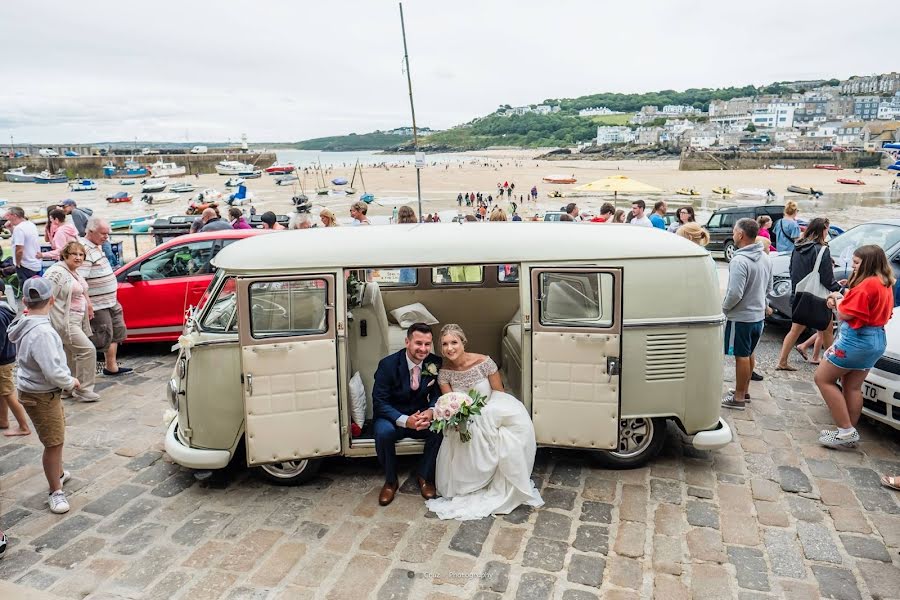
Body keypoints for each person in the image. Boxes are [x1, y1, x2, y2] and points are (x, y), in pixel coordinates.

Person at [426, 324, 543, 520]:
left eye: (454, 342)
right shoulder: (444, 373)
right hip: (465, 418)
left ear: (463, 343)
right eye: (445, 344)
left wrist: (487, 417)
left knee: (505, 434)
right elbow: (450, 403)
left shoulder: (484, 362)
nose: (449, 348)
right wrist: (458, 418)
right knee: (465, 433)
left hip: (491, 409)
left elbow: (499, 393)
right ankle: (472, 483)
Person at [7, 278, 80, 514]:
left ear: (26, 302)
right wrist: (71, 382)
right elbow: (53, 370)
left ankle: (57, 473)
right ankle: (55, 490)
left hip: (36, 391)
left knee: (56, 435)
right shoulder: (43, 333)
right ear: (52, 299)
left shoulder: (26, 323)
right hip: (41, 394)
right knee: (53, 443)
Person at [815, 245, 894, 448]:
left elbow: (845, 314)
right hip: (876, 339)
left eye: (857, 263)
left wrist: (837, 299)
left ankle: (846, 431)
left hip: (856, 340)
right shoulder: (885, 283)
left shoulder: (867, 284)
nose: (854, 267)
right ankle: (847, 432)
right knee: (852, 386)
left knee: (823, 379)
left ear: (868, 263)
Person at [372, 323, 443, 506]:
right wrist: (404, 420)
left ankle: (425, 476)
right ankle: (390, 481)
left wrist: (430, 411)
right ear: (407, 342)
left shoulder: (434, 363)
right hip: (392, 417)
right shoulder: (388, 365)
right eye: (418, 343)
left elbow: (436, 393)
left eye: (427, 344)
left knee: (440, 429)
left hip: (420, 416)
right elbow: (380, 402)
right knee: (383, 433)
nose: (423, 349)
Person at [775, 218, 840, 371]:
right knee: (827, 329)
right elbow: (826, 277)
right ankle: (830, 366)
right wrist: (838, 288)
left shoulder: (798, 246)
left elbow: (792, 269)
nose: (828, 233)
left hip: (800, 292)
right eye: (827, 229)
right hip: (817, 296)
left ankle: (782, 361)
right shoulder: (822, 249)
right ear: (823, 229)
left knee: (795, 329)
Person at [721, 218, 772, 410]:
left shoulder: (740, 260)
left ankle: (739, 397)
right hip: (758, 315)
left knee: (740, 356)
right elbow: (768, 287)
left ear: (741, 234)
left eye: (735, 231)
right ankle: (745, 390)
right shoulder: (765, 257)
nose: (733, 234)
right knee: (749, 353)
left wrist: (725, 309)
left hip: (741, 317)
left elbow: (735, 293)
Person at [44, 241, 99, 402]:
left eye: (81, 255)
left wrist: (88, 304)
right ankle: (84, 389)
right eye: (74, 254)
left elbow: (81, 291)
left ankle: (68, 387)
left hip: (76, 319)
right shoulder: (56, 272)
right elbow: (45, 294)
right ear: (65, 255)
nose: (78, 257)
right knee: (87, 350)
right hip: (65, 320)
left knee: (69, 354)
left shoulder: (73, 272)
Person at [79, 218, 132, 377]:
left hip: (109, 300)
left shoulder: (97, 246)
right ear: (91, 231)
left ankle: (111, 366)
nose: (106, 237)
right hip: (97, 303)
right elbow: (80, 279)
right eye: (103, 233)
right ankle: (86, 373)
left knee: (116, 331)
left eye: (108, 233)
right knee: (103, 335)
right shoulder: (84, 250)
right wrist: (88, 303)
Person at [0, 288, 30, 437]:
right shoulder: (5, 311)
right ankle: (3, 420)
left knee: (8, 392)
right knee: (3, 391)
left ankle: (23, 426)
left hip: (2, 360)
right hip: (6, 357)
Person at [4, 207, 42, 286]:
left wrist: (17, 264)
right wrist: (11, 229)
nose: (6, 218)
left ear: (14, 215)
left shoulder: (19, 229)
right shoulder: (30, 224)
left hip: (25, 265)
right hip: (35, 262)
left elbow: (19, 249)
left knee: (26, 289)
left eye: (8, 215)